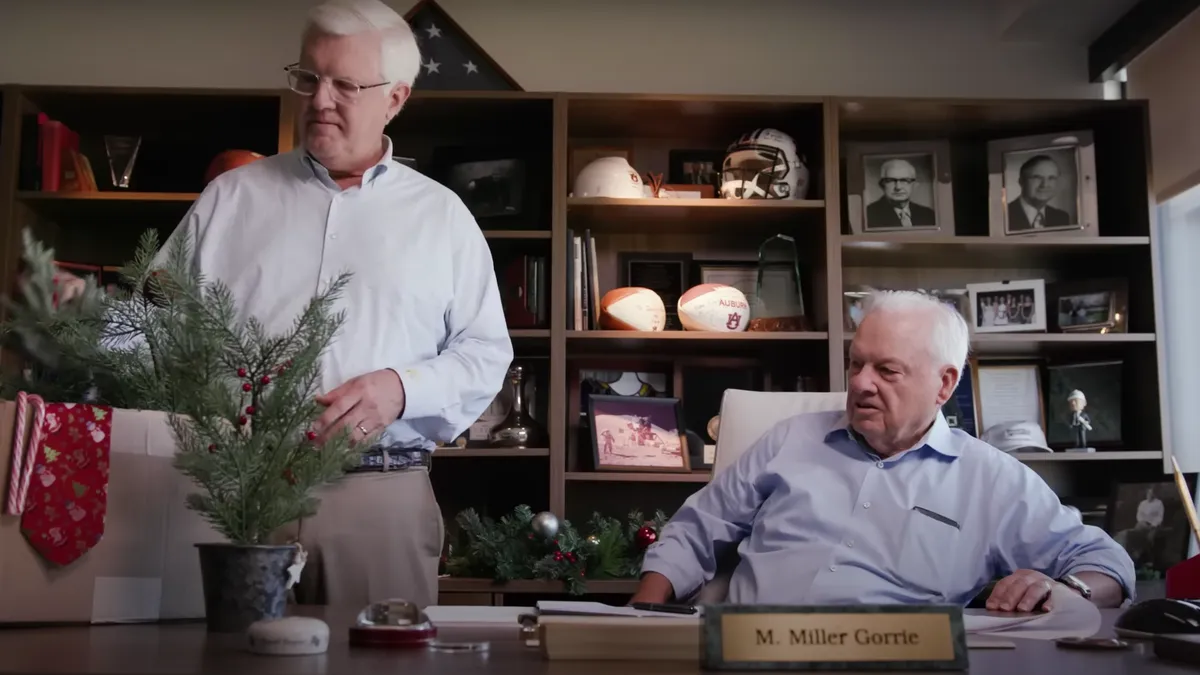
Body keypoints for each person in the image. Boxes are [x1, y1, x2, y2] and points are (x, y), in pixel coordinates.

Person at [50, 0, 513, 609]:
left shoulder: (444, 218)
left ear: (395, 98)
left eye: (345, 84)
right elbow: (155, 331)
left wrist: (401, 387)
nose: (320, 100)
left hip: (379, 498)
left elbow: (485, 353)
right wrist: (77, 315)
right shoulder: (230, 198)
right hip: (229, 491)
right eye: (308, 78)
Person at [631, 290, 1134, 611]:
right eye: (856, 365)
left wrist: (1067, 592)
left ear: (944, 385)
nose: (862, 384)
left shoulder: (992, 479)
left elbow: (1107, 564)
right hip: (752, 656)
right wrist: (640, 619)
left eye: (887, 371)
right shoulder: (789, 440)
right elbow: (696, 530)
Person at [865, 158, 937, 229]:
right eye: (891, 180)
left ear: (914, 185)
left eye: (904, 180)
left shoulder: (929, 215)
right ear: (882, 185)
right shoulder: (868, 215)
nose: (898, 187)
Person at [1007, 154, 1071, 231]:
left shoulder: (1061, 217)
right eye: (1037, 177)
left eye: (1051, 178)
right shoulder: (1004, 216)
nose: (1045, 185)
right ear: (1021, 182)